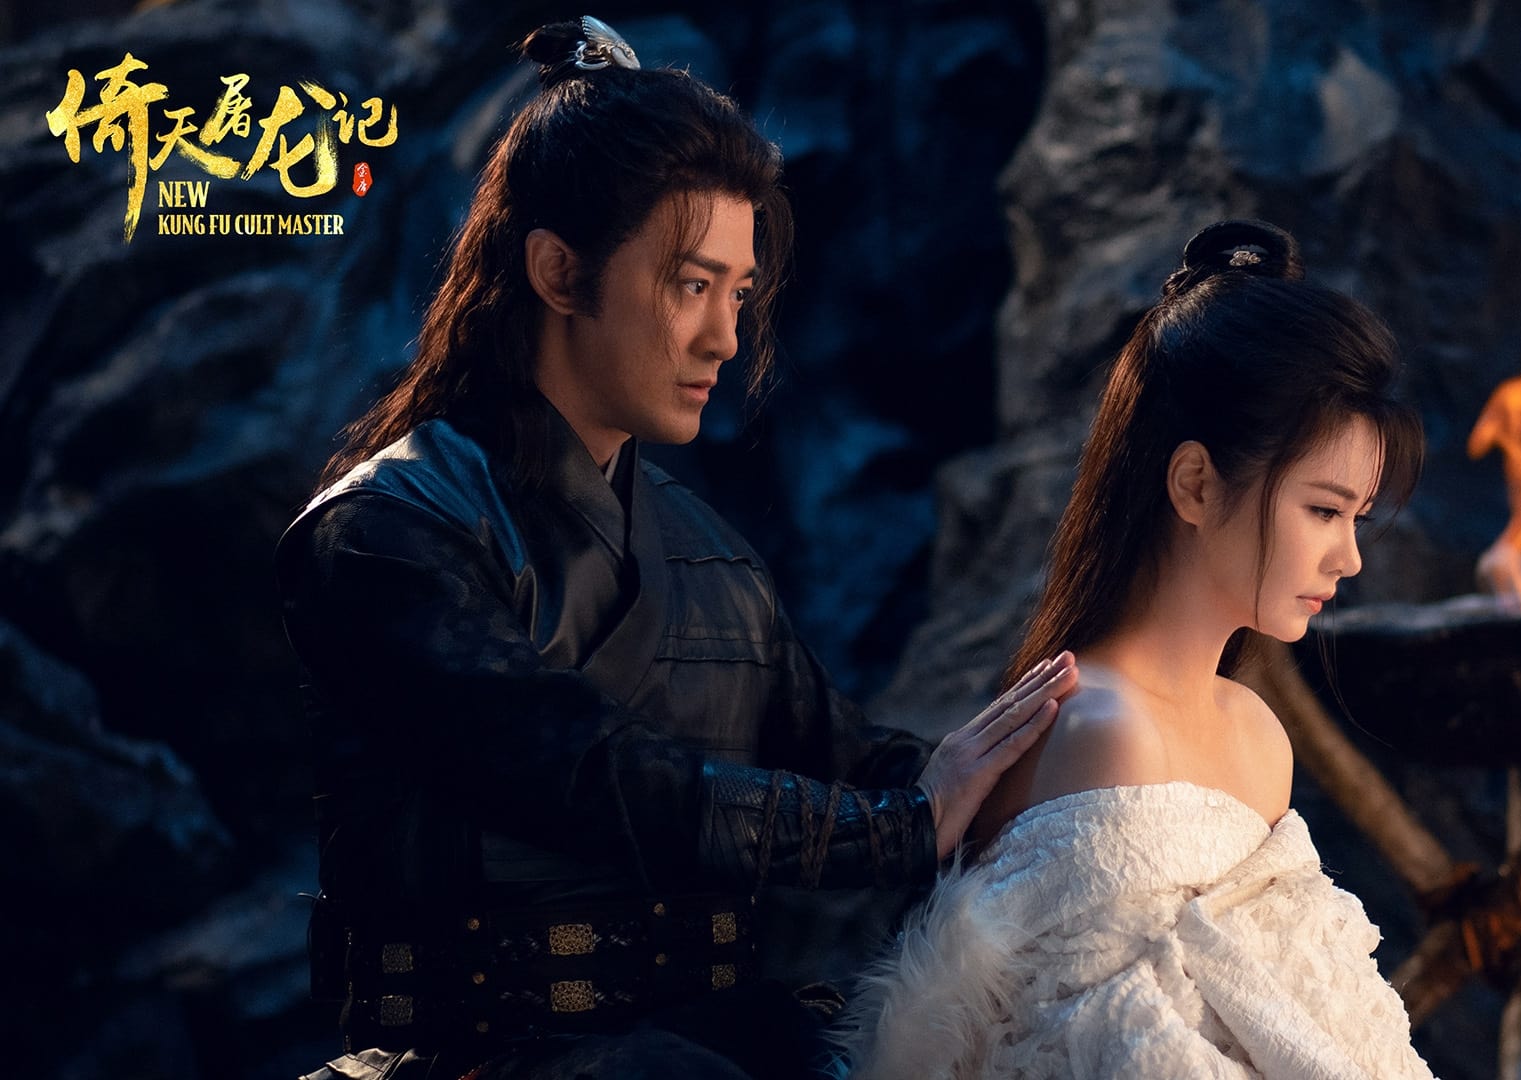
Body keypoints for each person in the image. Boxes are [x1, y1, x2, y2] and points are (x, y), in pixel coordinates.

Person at [277, 17, 1075, 1080]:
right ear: (559, 273)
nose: (725, 339)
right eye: (691, 286)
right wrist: (897, 829)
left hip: (718, 1036)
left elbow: (854, 757)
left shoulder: (709, 553)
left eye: (738, 295)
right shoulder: (386, 535)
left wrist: (1060, 780)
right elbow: (595, 774)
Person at [838, 221, 1437, 1078]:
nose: (1349, 557)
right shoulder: (1106, 731)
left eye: (1357, 518)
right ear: (1195, 484)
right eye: (1323, 510)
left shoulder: (1256, 732)